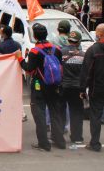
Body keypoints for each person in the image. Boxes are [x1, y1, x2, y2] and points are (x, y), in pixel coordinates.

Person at [16, 23, 66, 151]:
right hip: (55, 85)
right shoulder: (57, 49)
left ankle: (44, 144)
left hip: (39, 85)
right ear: (46, 34)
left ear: (34, 35)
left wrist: (20, 58)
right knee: (55, 112)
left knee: (40, 114)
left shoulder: (35, 51)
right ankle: (59, 141)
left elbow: (28, 69)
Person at [79, 23, 104, 152]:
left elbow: (86, 72)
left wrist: (82, 89)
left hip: (97, 88)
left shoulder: (93, 50)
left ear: (99, 35)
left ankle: (95, 144)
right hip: (99, 88)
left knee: (95, 115)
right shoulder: (93, 49)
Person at [59, 30, 85, 146]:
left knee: (60, 111)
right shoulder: (83, 55)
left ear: (68, 40)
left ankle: (58, 135)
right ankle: (77, 137)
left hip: (63, 86)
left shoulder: (60, 52)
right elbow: (85, 73)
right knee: (77, 112)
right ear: (79, 42)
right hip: (77, 87)